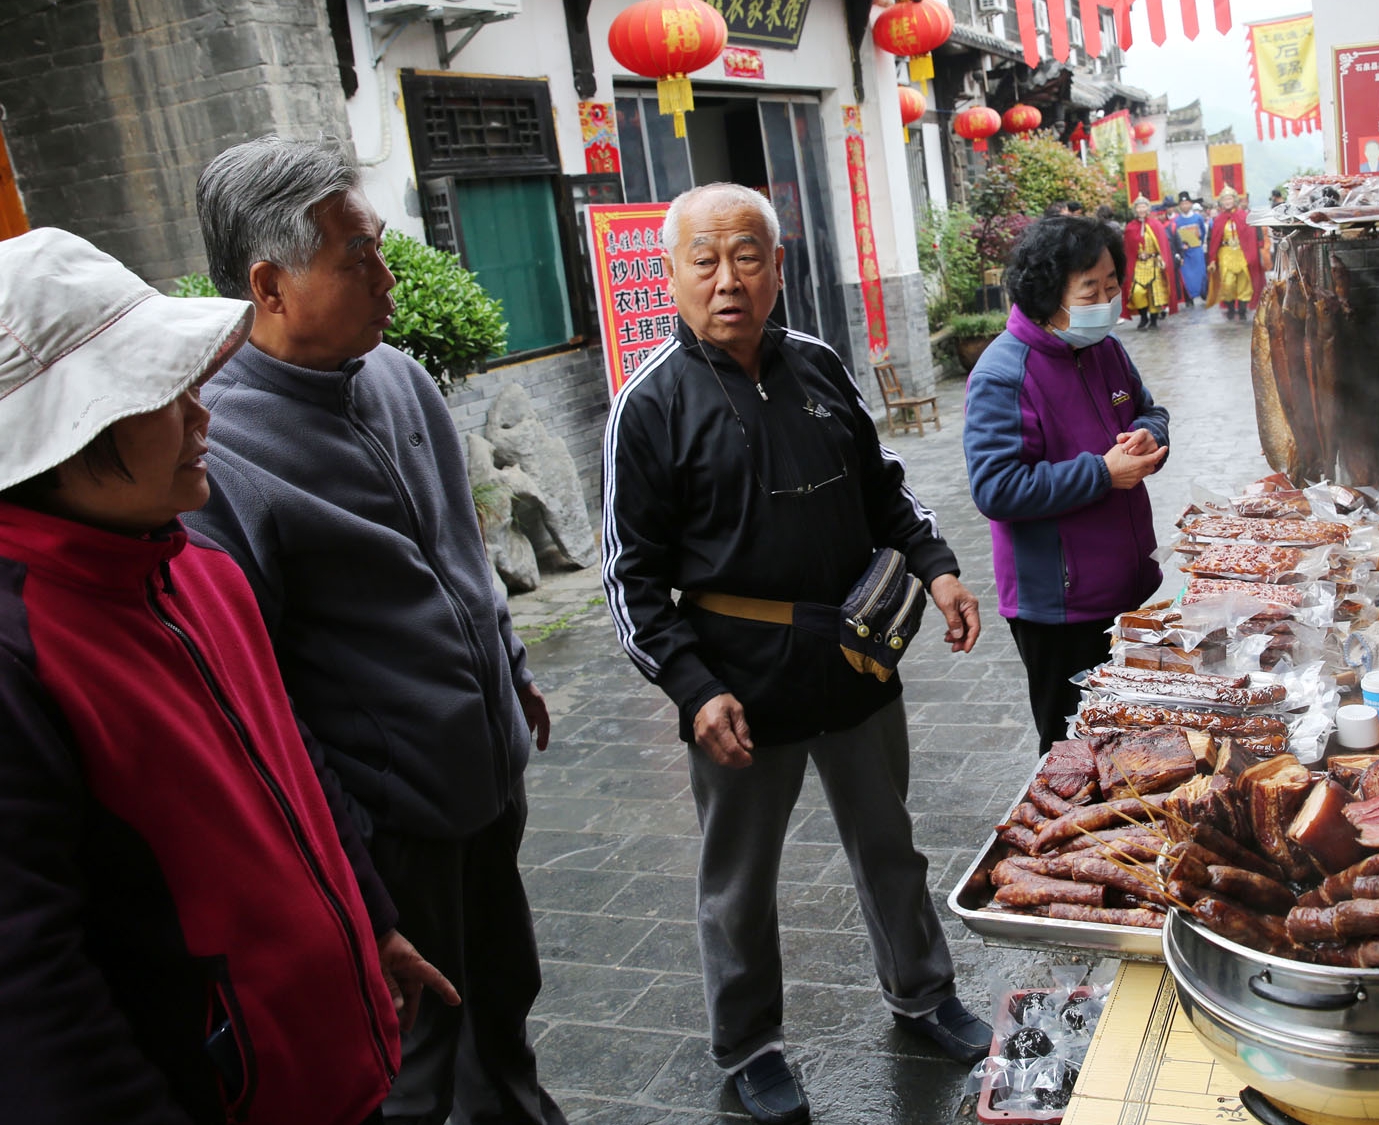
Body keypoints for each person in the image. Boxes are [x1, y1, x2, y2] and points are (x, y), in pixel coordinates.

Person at [0, 228, 459, 1123]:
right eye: (163, 393)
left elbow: (291, 757)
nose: (203, 412)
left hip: (329, 1062)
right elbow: (31, 990)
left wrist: (368, 919)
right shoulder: (23, 657)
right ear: (63, 437)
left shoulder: (196, 570)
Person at [183, 137, 564, 1125]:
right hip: (386, 823)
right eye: (357, 260)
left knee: (502, 1002)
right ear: (269, 284)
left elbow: (464, 550)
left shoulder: (394, 376)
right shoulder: (219, 453)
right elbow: (256, 699)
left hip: (482, 777)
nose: (389, 281)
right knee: (410, 1056)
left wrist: (509, 668)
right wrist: (353, 859)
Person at [600, 182, 992, 1125]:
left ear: (780, 267)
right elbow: (630, 580)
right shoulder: (648, 406)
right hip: (738, 684)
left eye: (747, 256)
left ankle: (922, 990)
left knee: (888, 842)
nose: (727, 278)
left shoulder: (818, 365)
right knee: (739, 880)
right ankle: (749, 1047)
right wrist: (693, 690)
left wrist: (937, 568)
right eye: (705, 259)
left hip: (855, 658)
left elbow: (886, 492)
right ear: (674, 273)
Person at [963, 217, 1171, 754]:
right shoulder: (1003, 375)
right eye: (1090, 290)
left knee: (1135, 740)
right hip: (1059, 607)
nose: (1107, 300)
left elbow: (1147, 407)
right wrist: (1103, 473)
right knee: (1074, 751)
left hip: (1128, 585)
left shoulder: (1104, 349)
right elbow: (997, 488)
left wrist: (1147, 436)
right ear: (1049, 294)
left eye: (1111, 286)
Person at [1206, 187, 1265, 320]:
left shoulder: (1243, 216)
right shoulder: (1218, 220)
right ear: (1221, 202)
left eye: (1230, 198)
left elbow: (1252, 236)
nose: (1227, 201)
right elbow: (1213, 240)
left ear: (1234, 200)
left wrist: (1254, 254)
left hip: (1241, 252)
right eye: (1225, 199)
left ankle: (1243, 310)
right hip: (1225, 253)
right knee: (1228, 282)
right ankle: (1231, 308)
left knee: (1244, 281)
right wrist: (1212, 259)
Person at [1122, 196, 1178, 328]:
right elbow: (1128, 250)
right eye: (1138, 207)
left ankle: (1153, 320)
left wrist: (1161, 258)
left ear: (1148, 208)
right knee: (1137, 292)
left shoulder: (1156, 225)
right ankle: (1143, 317)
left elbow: (1162, 245)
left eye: (1143, 206)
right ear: (1135, 209)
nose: (1141, 209)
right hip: (1138, 265)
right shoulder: (1130, 227)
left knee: (1154, 293)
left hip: (1153, 263)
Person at [1171, 192, 1209, 303]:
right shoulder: (1176, 221)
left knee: (1201, 273)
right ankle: (1189, 296)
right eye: (1182, 204)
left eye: (1186, 203)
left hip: (1197, 250)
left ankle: (1203, 292)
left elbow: (1202, 232)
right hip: (1185, 252)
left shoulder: (1198, 218)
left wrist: (1198, 243)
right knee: (1186, 275)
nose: (1184, 206)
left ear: (1191, 204)